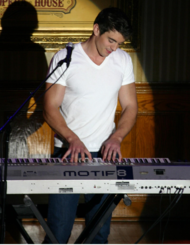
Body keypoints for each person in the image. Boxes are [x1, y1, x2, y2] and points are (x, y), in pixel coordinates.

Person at [43, 7, 138, 245]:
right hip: (68, 152)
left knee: (99, 232)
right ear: (96, 29)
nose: (114, 48)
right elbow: (49, 108)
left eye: (120, 43)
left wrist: (117, 137)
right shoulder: (65, 57)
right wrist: (72, 139)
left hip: (105, 153)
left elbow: (130, 106)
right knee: (59, 230)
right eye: (111, 40)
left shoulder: (122, 60)